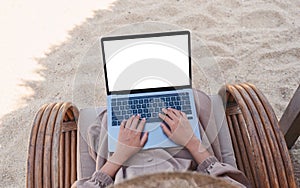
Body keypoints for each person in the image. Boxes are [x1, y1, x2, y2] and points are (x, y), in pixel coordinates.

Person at [73, 106, 250, 188]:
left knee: (106, 123)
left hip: (123, 162)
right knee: (195, 105)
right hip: (186, 156)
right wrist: (192, 142)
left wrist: (119, 155)